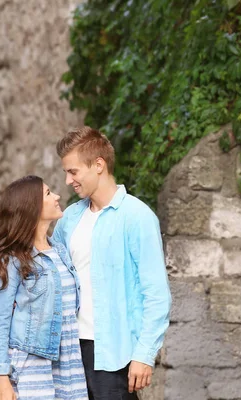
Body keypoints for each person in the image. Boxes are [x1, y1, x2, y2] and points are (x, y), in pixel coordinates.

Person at [52, 126, 172, 399]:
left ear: (98, 165)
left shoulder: (137, 217)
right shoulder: (69, 218)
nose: (69, 181)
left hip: (114, 356)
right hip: (69, 351)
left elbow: (156, 295)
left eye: (73, 172)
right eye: (66, 173)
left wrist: (144, 354)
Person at [0, 175, 89, 400]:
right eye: (49, 193)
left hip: (68, 364)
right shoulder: (12, 259)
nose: (58, 196)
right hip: (31, 367)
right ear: (32, 207)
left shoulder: (60, 251)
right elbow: (0, 321)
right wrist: (2, 377)